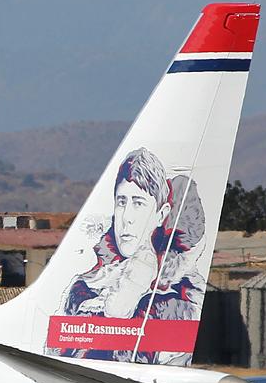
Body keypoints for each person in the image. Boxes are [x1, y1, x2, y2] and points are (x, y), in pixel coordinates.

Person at [58, 147, 206, 363]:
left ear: (161, 215)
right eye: (121, 202)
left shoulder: (178, 301)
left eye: (138, 203)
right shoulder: (84, 288)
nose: (126, 217)